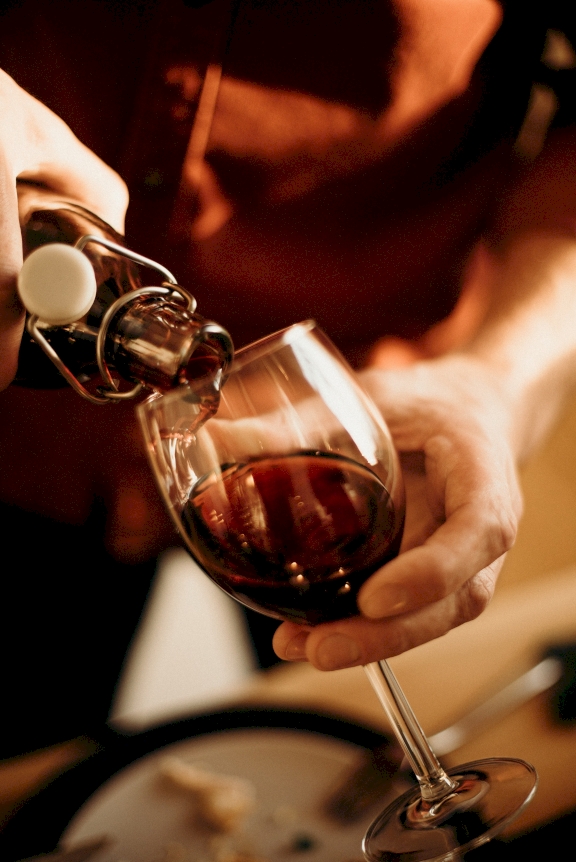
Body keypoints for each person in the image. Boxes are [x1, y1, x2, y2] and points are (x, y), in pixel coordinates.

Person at [0, 0, 576, 752]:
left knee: (362, 740)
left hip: (378, 423)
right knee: (35, 760)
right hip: (21, 458)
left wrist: (498, 378)